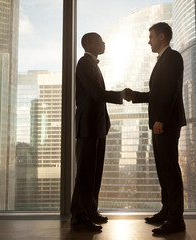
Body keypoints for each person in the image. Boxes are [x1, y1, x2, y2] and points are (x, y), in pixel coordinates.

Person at [124, 22, 187, 234]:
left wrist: (161, 119)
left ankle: (176, 220)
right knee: (163, 168)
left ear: (161, 37)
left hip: (166, 123)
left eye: (150, 36)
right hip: (160, 122)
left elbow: (171, 91)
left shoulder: (173, 57)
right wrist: (136, 96)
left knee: (170, 169)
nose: (148, 40)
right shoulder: (162, 60)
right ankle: (167, 211)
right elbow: (158, 94)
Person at [71, 32, 130, 232]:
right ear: (88, 43)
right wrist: (121, 95)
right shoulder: (84, 63)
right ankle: (79, 217)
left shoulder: (92, 64)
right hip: (87, 127)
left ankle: (90, 211)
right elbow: (96, 94)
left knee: (95, 173)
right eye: (100, 41)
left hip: (96, 127)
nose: (104, 44)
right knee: (85, 174)